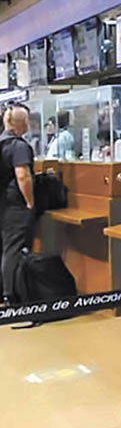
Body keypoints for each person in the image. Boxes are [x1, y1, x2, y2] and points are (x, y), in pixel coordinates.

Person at [0, 105, 36, 304]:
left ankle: (4, 291)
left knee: (5, 247)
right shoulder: (19, 146)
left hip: (2, 203)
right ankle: (12, 295)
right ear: (20, 123)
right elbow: (23, 176)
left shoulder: (1, 142)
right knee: (14, 248)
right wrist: (29, 202)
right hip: (15, 204)